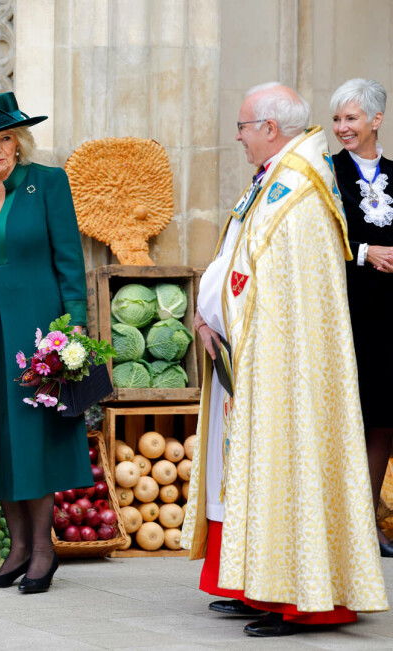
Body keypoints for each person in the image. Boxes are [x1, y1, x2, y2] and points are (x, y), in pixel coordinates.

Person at [182, 82, 388, 637]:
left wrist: (224, 313)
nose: (238, 136)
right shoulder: (279, 177)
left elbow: (284, 285)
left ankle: (303, 597)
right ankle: (262, 587)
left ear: (270, 129)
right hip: (259, 353)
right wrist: (211, 316)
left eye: (245, 126)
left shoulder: (297, 189)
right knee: (262, 471)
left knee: (290, 466)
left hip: (286, 363)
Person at [0, 92, 92, 594]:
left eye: (6, 138)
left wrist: (73, 333)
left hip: (38, 330)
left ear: (20, 141)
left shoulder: (48, 183)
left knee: (33, 435)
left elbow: (70, 263)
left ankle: (43, 550)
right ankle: (17, 551)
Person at [330, 78, 393, 557]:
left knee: (382, 421)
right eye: (337, 119)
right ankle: (338, 528)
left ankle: (368, 525)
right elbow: (317, 238)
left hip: (390, 317)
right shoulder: (326, 175)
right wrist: (366, 250)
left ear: (376, 119)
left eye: (351, 118)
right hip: (343, 311)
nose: (342, 127)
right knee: (347, 417)